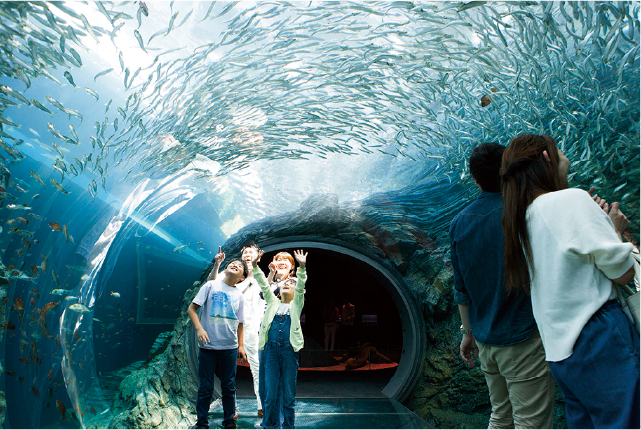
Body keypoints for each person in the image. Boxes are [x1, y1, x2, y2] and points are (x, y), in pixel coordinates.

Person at [501, 134, 639, 429]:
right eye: (559, 150)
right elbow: (624, 272)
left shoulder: (522, 218)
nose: (565, 156)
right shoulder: (570, 199)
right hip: (600, 337)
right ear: (547, 157)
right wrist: (615, 230)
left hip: (562, 352)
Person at [450, 142, 555, 429]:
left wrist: (468, 332)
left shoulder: (459, 223)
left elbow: (461, 288)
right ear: (507, 170)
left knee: (501, 416)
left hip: (486, 339)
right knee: (530, 423)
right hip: (522, 338)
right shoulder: (522, 214)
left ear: (474, 179)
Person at [187, 258, 248, 430]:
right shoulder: (210, 286)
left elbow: (241, 322)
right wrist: (199, 329)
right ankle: (202, 423)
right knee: (205, 386)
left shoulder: (239, 295)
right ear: (226, 268)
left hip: (230, 346)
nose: (235, 264)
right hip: (208, 346)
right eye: (233, 263)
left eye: (240, 266)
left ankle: (229, 420)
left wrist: (241, 346)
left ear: (242, 277)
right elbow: (191, 309)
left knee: (228, 385)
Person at [251, 249, 308, 429]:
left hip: (289, 350)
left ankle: (288, 426)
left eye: (291, 284)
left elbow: (300, 286)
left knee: (288, 394)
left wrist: (302, 267)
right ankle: (269, 425)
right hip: (270, 350)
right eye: (286, 284)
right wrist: (254, 266)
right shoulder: (273, 302)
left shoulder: (296, 305)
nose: (287, 284)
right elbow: (263, 285)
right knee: (269, 393)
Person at [211, 244, 265, 418]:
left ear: (258, 256)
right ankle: (231, 407)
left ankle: (262, 405)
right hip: (228, 327)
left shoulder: (261, 277)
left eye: (252, 252)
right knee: (228, 370)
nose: (248, 255)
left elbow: (265, 303)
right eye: (245, 253)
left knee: (257, 368)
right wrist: (218, 264)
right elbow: (212, 284)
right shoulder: (231, 273)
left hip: (252, 329)